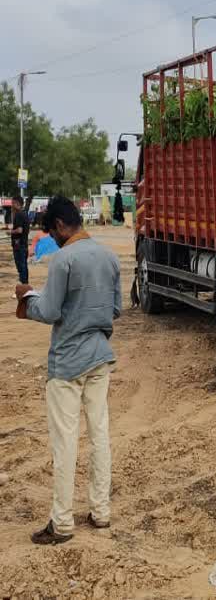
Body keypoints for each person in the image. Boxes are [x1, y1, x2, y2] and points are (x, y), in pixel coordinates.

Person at [16, 197, 121, 545]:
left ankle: (61, 523)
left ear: (61, 226)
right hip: (100, 358)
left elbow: (48, 311)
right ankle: (100, 512)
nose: (54, 238)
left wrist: (28, 297)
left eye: (53, 231)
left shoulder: (64, 259)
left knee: (65, 444)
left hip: (67, 363)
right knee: (99, 436)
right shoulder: (108, 256)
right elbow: (116, 308)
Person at [10, 196, 29, 284]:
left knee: (21, 266)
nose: (11, 205)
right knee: (23, 266)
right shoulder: (24, 214)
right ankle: (24, 284)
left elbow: (19, 230)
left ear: (17, 204)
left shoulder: (19, 215)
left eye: (12, 203)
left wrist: (11, 232)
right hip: (22, 244)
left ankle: (24, 285)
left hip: (19, 245)